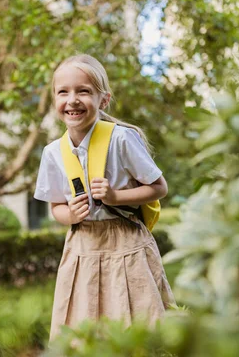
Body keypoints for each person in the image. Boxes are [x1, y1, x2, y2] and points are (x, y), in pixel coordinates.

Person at [34, 54, 175, 341]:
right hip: (81, 248)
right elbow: (56, 209)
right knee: (82, 333)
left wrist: (115, 196)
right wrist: (70, 215)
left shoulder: (121, 139)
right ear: (54, 100)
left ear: (103, 99)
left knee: (137, 326)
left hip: (125, 244)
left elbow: (159, 187)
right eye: (63, 92)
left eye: (83, 91)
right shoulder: (53, 153)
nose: (72, 100)